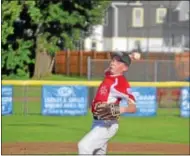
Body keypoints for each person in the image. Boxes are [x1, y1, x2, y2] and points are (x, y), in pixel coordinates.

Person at [78, 51, 139, 155]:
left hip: (107, 123)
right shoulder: (109, 74)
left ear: (125, 68)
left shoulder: (121, 83)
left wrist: (119, 109)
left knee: (84, 146)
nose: (113, 63)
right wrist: (130, 57)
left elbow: (133, 108)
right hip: (97, 122)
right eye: (113, 60)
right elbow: (112, 68)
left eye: (118, 61)